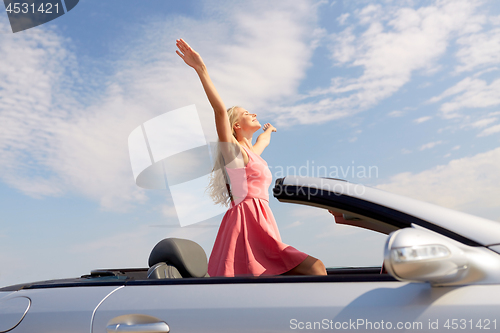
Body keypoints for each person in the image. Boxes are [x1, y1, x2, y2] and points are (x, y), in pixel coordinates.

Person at [175, 38, 326, 276]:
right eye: (247, 113)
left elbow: (261, 143)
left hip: (261, 221)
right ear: (235, 125)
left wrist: (268, 131)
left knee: (274, 279)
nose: (253, 113)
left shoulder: (251, 154)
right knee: (315, 268)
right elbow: (218, 110)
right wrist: (201, 69)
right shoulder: (233, 153)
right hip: (247, 222)